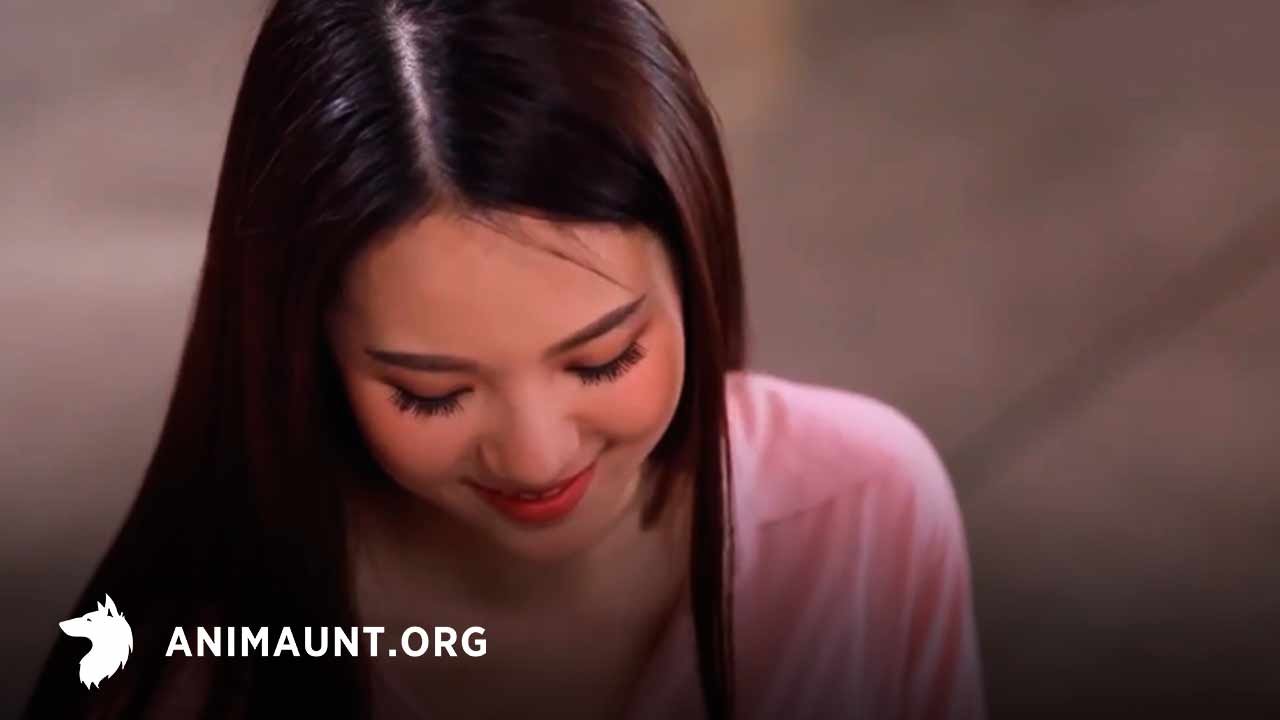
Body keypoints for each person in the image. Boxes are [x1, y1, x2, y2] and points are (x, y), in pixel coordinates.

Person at [23, 0, 985, 718]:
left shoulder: (865, 513)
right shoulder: (192, 667)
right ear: (303, 342)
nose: (535, 455)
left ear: (695, 268)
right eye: (431, 393)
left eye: (603, 361)